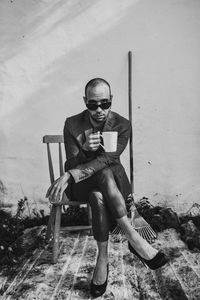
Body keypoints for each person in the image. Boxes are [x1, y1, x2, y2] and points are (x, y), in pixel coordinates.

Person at [46, 78, 168, 298]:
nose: (99, 109)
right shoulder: (72, 124)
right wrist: (82, 150)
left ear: (111, 99)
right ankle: (133, 237)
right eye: (93, 104)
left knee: (98, 193)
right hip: (79, 187)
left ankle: (102, 259)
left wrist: (70, 173)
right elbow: (73, 163)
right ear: (85, 101)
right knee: (99, 179)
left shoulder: (122, 125)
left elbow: (107, 159)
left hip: (107, 186)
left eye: (104, 103)